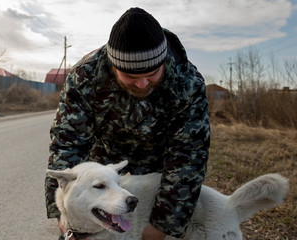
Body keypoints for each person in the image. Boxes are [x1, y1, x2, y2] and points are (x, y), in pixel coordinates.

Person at [45, 7, 210, 240]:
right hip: (104, 165)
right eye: (131, 77)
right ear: (114, 67)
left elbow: (189, 157)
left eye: (153, 73)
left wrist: (164, 224)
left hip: (160, 169)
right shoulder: (85, 77)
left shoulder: (188, 83)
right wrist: (63, 214)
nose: (142, 84)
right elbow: (67, 147)